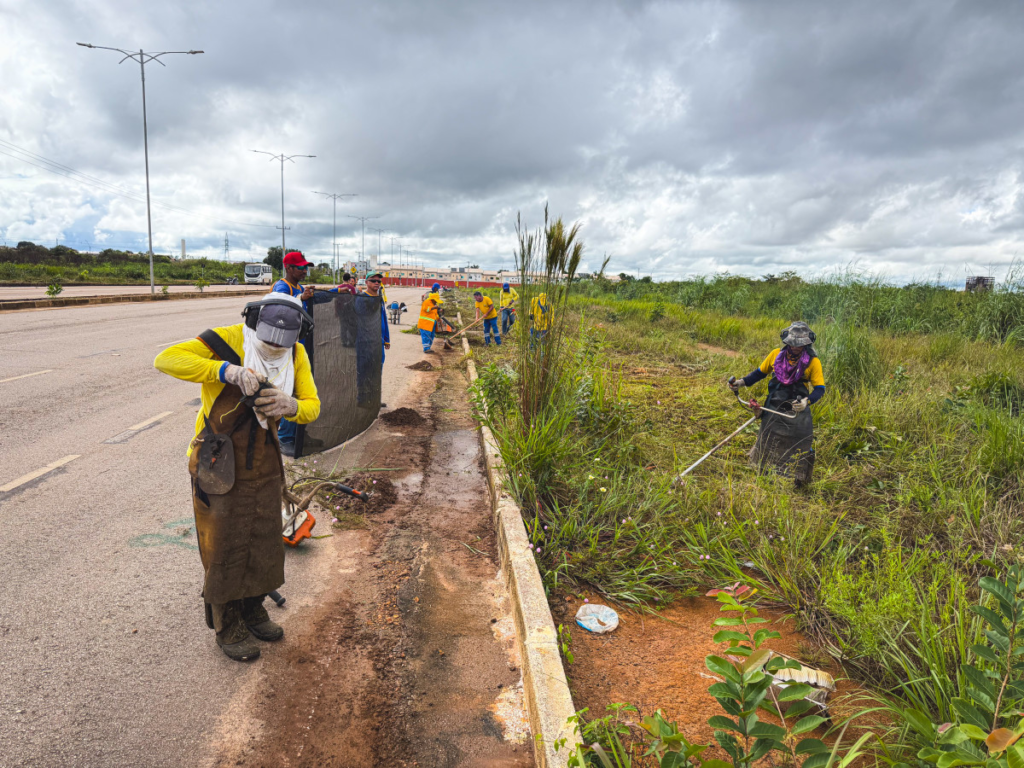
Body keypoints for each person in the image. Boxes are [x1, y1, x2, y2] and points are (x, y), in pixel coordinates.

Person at [153, 294, 321, 661]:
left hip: (264, 461)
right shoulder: (223, 342)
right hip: (219, 462)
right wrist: (226, 371)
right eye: (266, 340)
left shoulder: (297, 355)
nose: (274, 347)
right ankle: (228, 623)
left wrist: (291, 406)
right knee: (225, 545)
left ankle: (253, 608)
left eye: (283, 342)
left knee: (262, 539)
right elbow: (165, 358)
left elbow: (312, 405)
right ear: (252, 323)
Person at [729, 321, 825, 486]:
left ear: (806, 343)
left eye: (799, 345)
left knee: (800, 443)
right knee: (768, 439)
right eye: (792, 343)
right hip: (774, 405)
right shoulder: (775, 355)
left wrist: (806, 402)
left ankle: (800, 480)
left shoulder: (812, 362)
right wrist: (741, 382)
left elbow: (820, 389)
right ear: (787, 341)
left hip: (797, 409)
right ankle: (763, 474)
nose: (795, 347)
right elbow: (759, 374)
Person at [418, 283, 444, 354]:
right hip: (425, 324)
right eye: (435, 300)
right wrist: (434, 307)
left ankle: (429, 348)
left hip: (432, 323)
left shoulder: (433, 304)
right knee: (426, 336)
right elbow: (426, 309)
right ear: (432, 299)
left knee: (431, 336)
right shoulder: (426, 302)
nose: (436, 302)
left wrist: (438, 319)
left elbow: (435, 313)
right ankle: (426, 348)